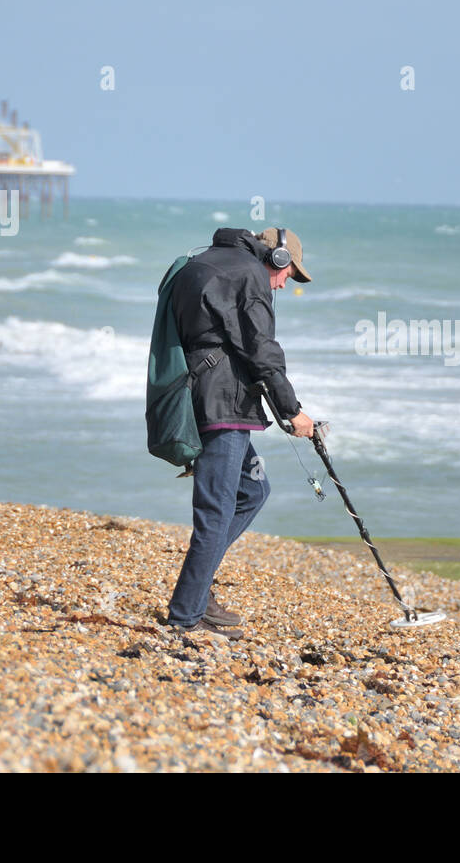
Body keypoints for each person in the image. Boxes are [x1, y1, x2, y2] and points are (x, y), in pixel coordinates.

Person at [164, 226, 315, 638]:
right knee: (215, 513)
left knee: (253, 492)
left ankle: (198, 592)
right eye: (288, 273)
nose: (285, 283)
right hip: (224, 404)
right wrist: (293, 410)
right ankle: (185, 614)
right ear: (276, 258)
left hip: (204, 395)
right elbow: (262, 349)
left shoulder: (203, 262)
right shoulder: (249, 275)